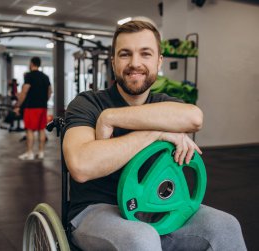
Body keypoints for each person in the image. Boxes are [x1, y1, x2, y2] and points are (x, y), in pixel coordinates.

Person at [63, 20, 246, 251]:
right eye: (125, 54)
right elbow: (81, 166)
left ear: (159, 61)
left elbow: (194, 118)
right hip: (96, 211)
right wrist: (155, 131)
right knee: (141, 238)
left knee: (226, 226)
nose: (135, 63)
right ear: (113, 62)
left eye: (145, 54)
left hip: (156, 207)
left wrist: (110, 118)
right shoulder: (87, 103)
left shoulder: (166, 105)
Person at [14, 57, 52, 160]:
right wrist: (45, 100)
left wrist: (18, 105)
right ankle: (41, 152)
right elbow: (49, 91)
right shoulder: (45, 76)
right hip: (42, 106)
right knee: (41, 130)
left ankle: (30, 153)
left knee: (29, 130)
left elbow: (24, 92)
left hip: (31, 107)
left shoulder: (29, 76)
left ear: (31, 63)